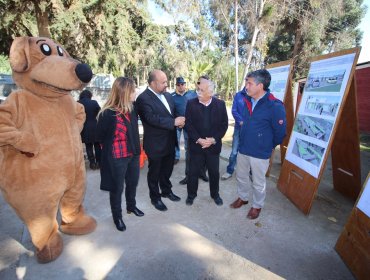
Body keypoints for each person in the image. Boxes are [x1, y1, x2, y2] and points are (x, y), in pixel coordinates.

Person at [230, 69, 286, 219]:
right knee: (241, 176)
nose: (246, 86)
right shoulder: (247, 100)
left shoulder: (275, 105)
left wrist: (267, 145)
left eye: (249, 83)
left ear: (260, 86)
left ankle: (257, 206)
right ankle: (243, 197)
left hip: (260, 152)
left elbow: (280, 133)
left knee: (258, 182)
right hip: (244, 148)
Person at [96, 77, 144, 232]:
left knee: (133, 183)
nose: (135, 92)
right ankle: (117, 217)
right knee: (117, 188)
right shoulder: (107, 114)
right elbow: (100, 137)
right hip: (116, 157)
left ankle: (131, 206)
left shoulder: (132, 108)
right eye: (132, 89)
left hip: (133, 154)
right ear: (123, 92)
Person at [136, 69, 184, 211]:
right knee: (154, 173)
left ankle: (166, 191)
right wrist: (174, 122)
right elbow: (150, 119)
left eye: (166, 81)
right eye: (163, 82)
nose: (166, 84)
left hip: (170, 141)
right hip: (155, 144)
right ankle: (155, 198)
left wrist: (180, 121)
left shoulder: (168, 96)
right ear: (152, 83)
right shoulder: (143, 98)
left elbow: (173, 114)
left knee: (167, 170)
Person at [185, 77, 228, 206]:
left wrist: (213, 139)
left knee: (214, 172)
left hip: (213, 147)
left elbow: (224, 125)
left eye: (201, 90)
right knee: (193, 172)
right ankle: (191, 195)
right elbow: (188, 124)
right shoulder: (191, 103)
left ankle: (215, 195)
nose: (198, 92)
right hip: (196, 146)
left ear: (210, 92)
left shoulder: (220, 104)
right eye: (197, 89)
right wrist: (198, 139)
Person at [171, 76, 209, 185]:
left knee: (202, 151)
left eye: (182, 84)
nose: (181, 86)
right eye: (179, 84)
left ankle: (202, 173)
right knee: (189, 152)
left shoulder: (195, 94)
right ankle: (188, 175)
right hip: (182, 125)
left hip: (198, 127)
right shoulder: (173, 96)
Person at [221, 86, 248, 180]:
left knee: (248, 153)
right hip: (238, 128)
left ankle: (247, 173)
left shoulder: (256, 95)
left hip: (251, 130)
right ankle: (229, 171)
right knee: (234, 152)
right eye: (247, 81)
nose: (248, 84)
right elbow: (234, 110)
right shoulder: (239, 95)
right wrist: (240, 121)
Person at [78, 89, 101, 170]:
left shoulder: (78, 103)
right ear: (89, 95)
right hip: (95, 125)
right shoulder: (94, 102)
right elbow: (99, 112)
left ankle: (92, 163)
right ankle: (99, 162)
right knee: (97, 145)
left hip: (84, 127)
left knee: (88, 146)